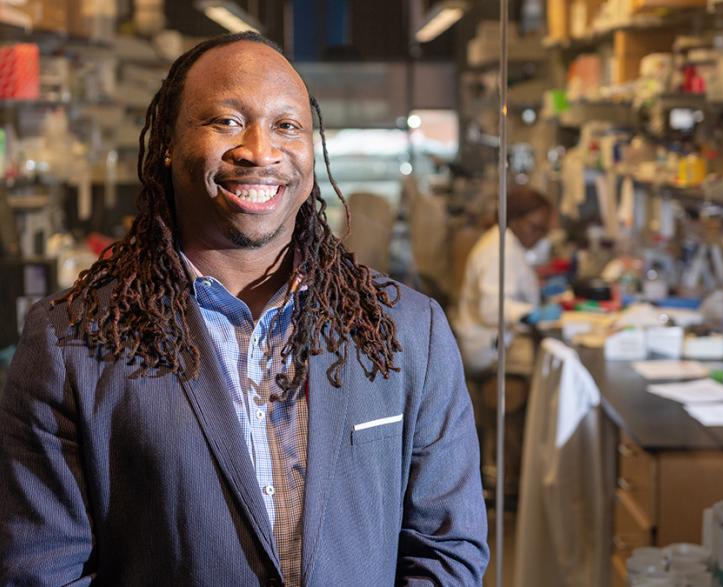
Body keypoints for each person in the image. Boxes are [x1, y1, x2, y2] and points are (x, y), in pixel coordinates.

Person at [0, 32, 488, 586]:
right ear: (167, 142)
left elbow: (446, 549)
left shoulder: (405, 330)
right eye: (226, 121)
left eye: (287, 126)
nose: (260, 150)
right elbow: (43, 572)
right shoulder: (73, 341)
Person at [453, 186, 556, 498]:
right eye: (536, 228)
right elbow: (491, 307)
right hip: (487, 351)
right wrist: (531, 314)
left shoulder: (506, 244)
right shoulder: (498, 250)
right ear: (517, 220)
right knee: (545, 381)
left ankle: (521, 475)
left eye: (544, 229)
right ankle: (517, 480)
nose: (539, 236)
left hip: (495, 342)